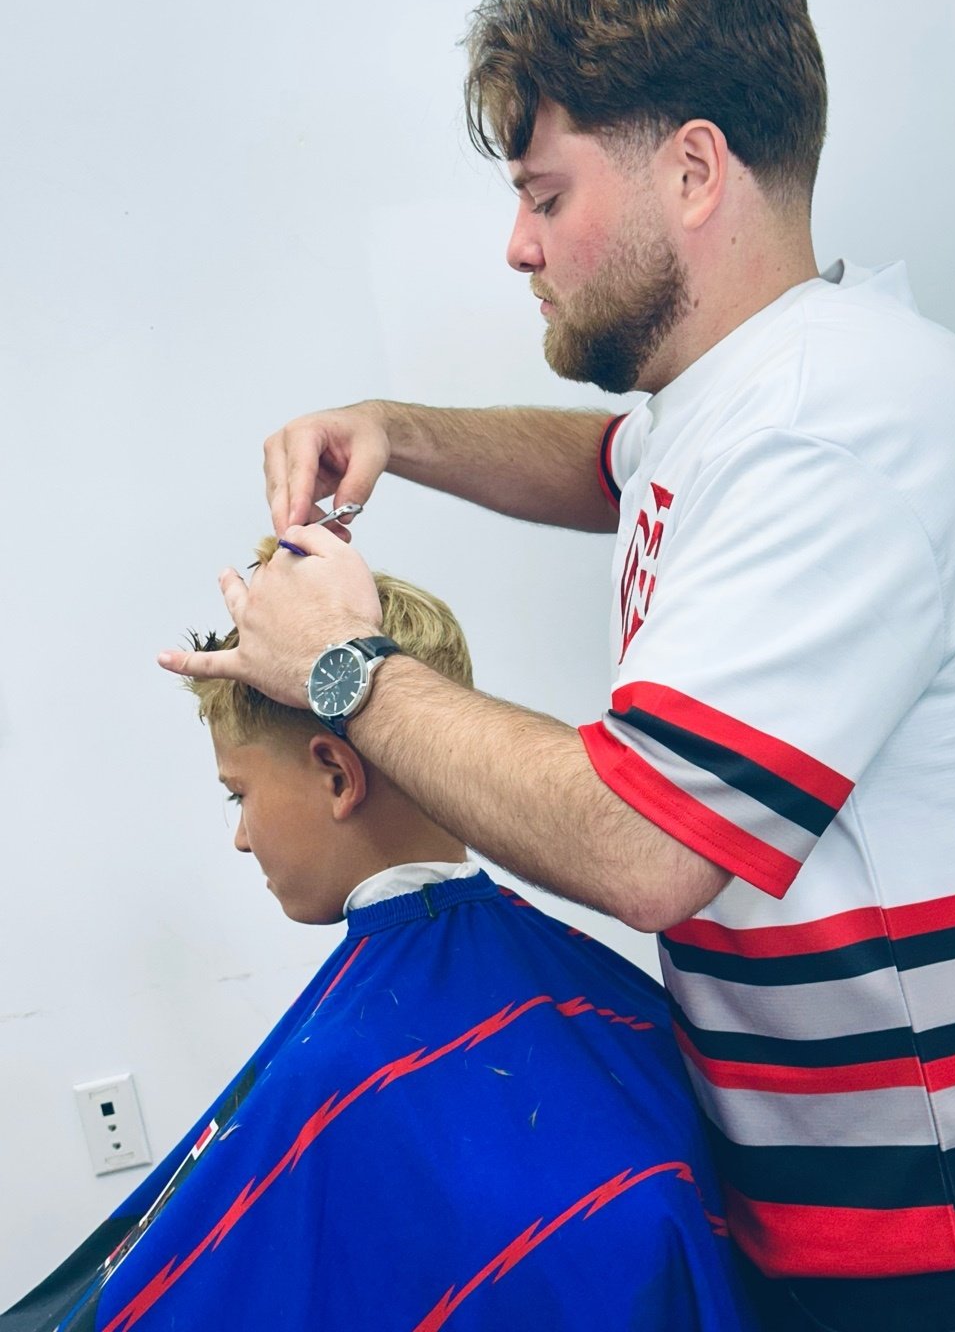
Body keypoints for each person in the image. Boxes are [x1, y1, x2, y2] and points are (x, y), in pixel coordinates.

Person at [162, 0, 955, 1329]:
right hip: (888, 1220)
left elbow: (644, 846)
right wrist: (397, 431)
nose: (518, 246)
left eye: (545, 196)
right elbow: (608, 468)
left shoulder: (832, 436)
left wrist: (341, 668)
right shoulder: (753, 389)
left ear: (693, 170)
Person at [7, 542, 755, 1332]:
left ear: (337, 775)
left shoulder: (333, 1072)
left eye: (239, 795)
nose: (241, 838)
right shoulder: (622, 1003)